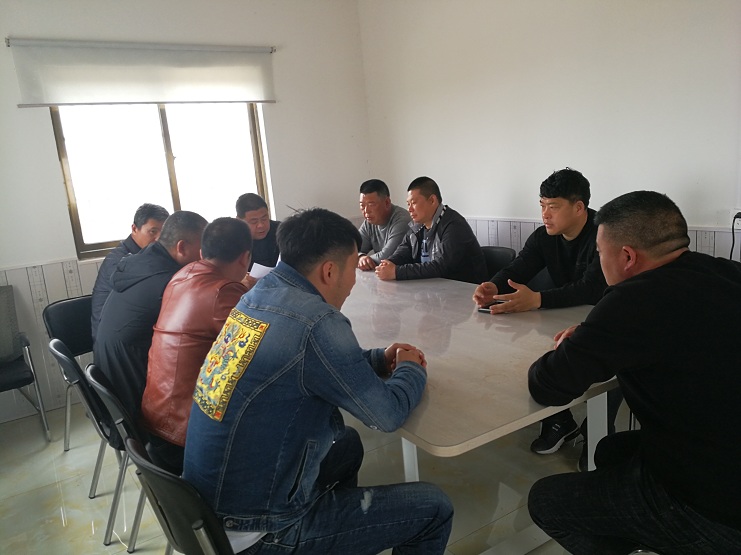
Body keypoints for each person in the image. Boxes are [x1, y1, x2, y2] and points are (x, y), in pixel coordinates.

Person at [184, 208, 453, 555]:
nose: (353, 282)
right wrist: (410, 369)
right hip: (257, 532)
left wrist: (376, 359)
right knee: (434, 508)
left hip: (205, 512)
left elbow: (307, 362)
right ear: (329, 271)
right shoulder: (317, 321)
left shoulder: (257, 296)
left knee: (347, 445)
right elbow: (386, 414)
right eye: (352, 268)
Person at [527, 191, 741, 554]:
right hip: (721, 451)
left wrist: (588, 337)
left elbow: (548, 385)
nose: (598, 261)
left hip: (715, 507)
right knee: (610, 451)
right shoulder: (726, 271)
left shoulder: (633, 299)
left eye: (599, 253)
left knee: (545, 500)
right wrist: (598, 334)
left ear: (627, 257)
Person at [472, 168, 611, 459]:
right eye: (542, 205)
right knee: (524, 344)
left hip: (606, 319)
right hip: (562, 316)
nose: (545, 215)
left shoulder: (605, 233)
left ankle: (598, 431)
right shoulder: (544, 237)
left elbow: (592, 288)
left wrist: (538, 299)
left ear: (579, 207)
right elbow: (518, 268)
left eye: (553, 207)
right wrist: (492, 285)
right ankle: (560, 420)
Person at [140, 217, 252, 474]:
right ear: (245, 258)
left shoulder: (180, 276)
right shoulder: (225, 292)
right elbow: (258, 351)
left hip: (156, 421)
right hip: (185, 435)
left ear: (202, 253)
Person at [94, 210, 207, 423]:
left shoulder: (139, 262)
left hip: (115, 387)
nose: (204, 257)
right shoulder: (170, 282)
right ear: (182, 247)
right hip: (138, 404)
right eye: (202, 249)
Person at [376, 176, 487, 284]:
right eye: (408, 204)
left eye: (414, 203)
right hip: (434, 289)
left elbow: (442, 267)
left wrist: (397, 272)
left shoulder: (454, 225)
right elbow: (404, 250)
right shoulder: (417, 226)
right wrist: (389, 263)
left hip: (465, 291)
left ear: (432, 200)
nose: (409, 209)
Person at [91, 203, 169, 341]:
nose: (158, 239)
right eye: (153, 231)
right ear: (134, 229)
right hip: (114, 341)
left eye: (163, 233)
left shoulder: (148, 256)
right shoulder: (119, 262)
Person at [357, 178, 411, 271]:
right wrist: (360, 257)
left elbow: (387, 257)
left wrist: (364, 260)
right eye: (362, 205)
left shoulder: (402, 220)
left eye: (371, 205)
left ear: (387, 202)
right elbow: (350, 250)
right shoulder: (369, 222)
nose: (366, 211)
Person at [236, 192, 280, 270]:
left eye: (264, 219)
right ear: (239, 220)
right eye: (254, 221)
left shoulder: (281, 231)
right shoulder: (232, 240)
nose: (261, 225)